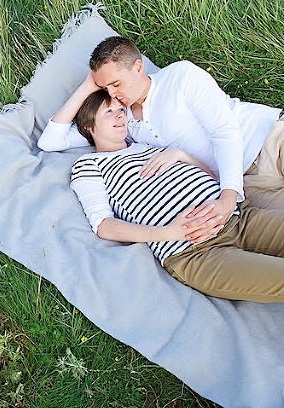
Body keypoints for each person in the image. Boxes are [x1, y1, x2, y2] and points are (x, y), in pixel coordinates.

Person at [38, 36, 284, 243]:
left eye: (115, 83)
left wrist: (228, 198)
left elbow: (225, 133)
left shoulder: (180, 77)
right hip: (245, 182)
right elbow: (51, 142)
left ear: (137, 67)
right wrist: (88, 86)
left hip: (267, 141)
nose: (112, 93)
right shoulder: (123, 123)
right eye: (105, 88)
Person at [70, 89, 284, 303]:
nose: (119, 115)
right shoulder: (90, 165)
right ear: (89, 126)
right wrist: (168, 232)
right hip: (196, 252)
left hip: (239, 219)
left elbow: (210, 175)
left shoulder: (148, 145)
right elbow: (103, 225)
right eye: (108, 111)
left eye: (120, 110)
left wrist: (181, 155)